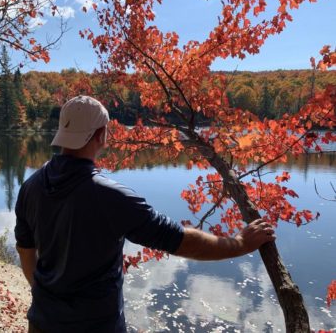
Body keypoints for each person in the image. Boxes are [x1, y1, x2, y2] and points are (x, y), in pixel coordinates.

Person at [14, 95, 276, 333]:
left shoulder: (30, 187)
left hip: (42, 323)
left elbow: (26, 252)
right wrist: (240, 244)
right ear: (101, 135)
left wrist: (47, 299)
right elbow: (179, 240)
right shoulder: (111, 197)